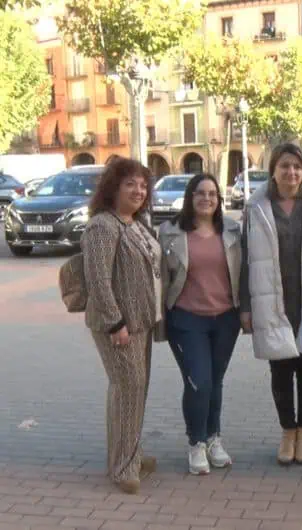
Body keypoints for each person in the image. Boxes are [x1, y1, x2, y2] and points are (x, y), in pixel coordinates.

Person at [82, 157, 161, 494]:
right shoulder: (103, 226)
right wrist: (116, 323)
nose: (138, 190)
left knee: (134, 392)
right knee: (127, 390)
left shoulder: (136, 224)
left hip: (141, 323)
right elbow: (98, 280)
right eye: (130, 184)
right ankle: (123, 467)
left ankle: (131, 453)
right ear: (113, 187)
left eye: (143, 185)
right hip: (118, 325)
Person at [239, 143, 302, 466]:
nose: (291, 172)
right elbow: (245, 259)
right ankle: (288, 431)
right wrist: (245, 306)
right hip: (271, 296)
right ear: (273, 169)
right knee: (281, 369)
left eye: (297, 167)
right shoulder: (256, 206)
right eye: (285, 166)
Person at [158, 174, 242, 475]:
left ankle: (213, 439)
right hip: (185, 318)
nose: (207, 198)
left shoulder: (232, 229)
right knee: (199, 381)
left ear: (219, 199)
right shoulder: (169, 232)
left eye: (212, 193)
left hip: (225, 319)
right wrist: (160, 319)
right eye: (200, 193)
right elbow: (161, 279)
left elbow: (243, 273)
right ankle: (196, 442)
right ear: (190, 197)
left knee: (214, 382)